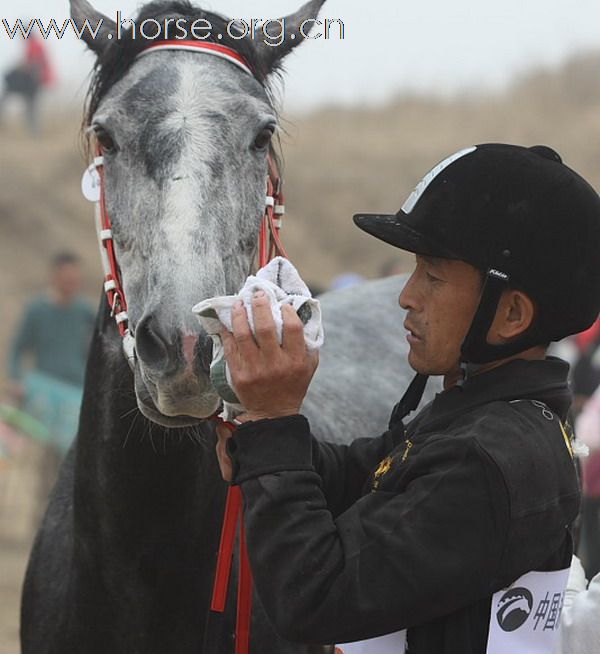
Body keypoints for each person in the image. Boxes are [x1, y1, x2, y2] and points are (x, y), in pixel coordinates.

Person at [215, 144, 600, 653]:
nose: (406, 295)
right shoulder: (481, 419)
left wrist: (273, 419)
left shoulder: (487, 457)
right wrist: (256, 443)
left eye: (434, 277)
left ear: (511, 316)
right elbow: (366, 475)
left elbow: (313, 598)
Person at [8, 252, 95, 398]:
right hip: (44, 388)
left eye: (75, 280)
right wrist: (16, 379)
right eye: (67, 279)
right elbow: (17, 349)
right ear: (54, 277)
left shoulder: (85, 311)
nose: (71, 284)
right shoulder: (36, 310)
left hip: (76, 388)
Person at [0, 31, 55, 135]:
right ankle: (34, 132)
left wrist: (18, 69)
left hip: (34, 81)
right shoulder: (35, 44)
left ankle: (35, 133)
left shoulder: (34, 45)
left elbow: (33, 64)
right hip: (34, 81)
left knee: (31, 108)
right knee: (31, 107)